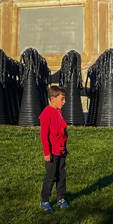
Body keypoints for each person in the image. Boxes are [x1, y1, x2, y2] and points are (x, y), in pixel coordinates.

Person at [39, 84, 70, 213]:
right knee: (51, 176)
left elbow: (62, 131)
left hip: (61, 150)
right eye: (62, 99)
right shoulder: (47, 113)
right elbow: (44, 135)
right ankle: (45, 200)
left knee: (61, 175)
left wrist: (64, 147)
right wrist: (47, 152)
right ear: (53, 99)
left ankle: (61, 198)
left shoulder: (59, 112)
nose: (64, 102)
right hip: (52, 152)